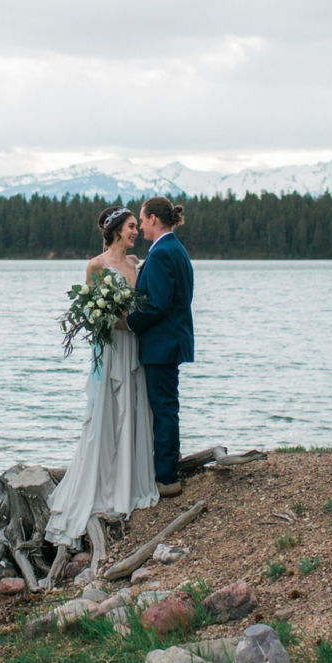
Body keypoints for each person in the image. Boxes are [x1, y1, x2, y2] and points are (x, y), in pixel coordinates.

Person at [44, 206, 160, 546]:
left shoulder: (136, 264)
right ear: (114, 231)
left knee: (133, 406)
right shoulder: (96, 265)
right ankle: (103, 483)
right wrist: (109, 316)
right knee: (107, 410)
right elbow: (91, 312)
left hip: (133, 342)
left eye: (137, 226)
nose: (135, 231)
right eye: (130, 226)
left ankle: (130, 480)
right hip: (109, 346)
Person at [126, 197, 194, 497]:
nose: (140, 226)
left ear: (153, 219)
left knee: (164, 409)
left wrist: (127, 323)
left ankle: (166, 478)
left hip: (162, 344)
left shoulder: (164, 252)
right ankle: (166, 468)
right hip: (167, 341)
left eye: (142, 219)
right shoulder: (172, 249)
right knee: (166, 407)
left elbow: (157, 305)